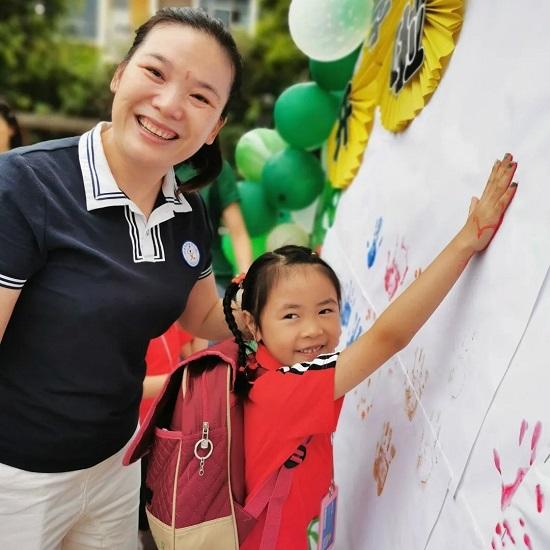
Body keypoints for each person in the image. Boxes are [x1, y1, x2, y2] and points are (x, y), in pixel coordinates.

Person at [0, 7, 243, 549]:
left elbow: (200, 313)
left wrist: (271, 308)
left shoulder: (188, 211)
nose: (170, 104)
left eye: (201, 97)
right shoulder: (25, 185)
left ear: (216, 127)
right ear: (119, 74)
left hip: (116, 463)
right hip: (15, 481)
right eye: (155, 73)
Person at [222, 155, 518, 549]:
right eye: (290, 315)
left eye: (326, 310)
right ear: (254, 326)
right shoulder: (283, 390)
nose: (313, 329)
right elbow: (387, 338)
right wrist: (467, 239)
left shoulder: (255, 368)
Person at [199, 158, 253, 295]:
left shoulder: (216, 166)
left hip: (213, 278)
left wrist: (247, 284)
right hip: (159, 278)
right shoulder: (149, 162)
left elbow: (238, 233)